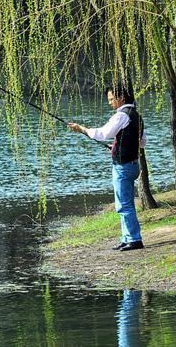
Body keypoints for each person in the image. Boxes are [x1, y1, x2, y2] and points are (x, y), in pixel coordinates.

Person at [67, 82, 146, 251]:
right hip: (133, 164)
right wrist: (118, 145)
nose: (110, 103)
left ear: (121, 97)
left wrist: (82, 129)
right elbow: (142, 142)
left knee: (124, 204)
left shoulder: (121, 115)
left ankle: (134, 239)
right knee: (126, 203)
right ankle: (127, 238)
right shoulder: (136, 115)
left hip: (123, 167)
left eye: (111, 99)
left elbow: (103, 134)